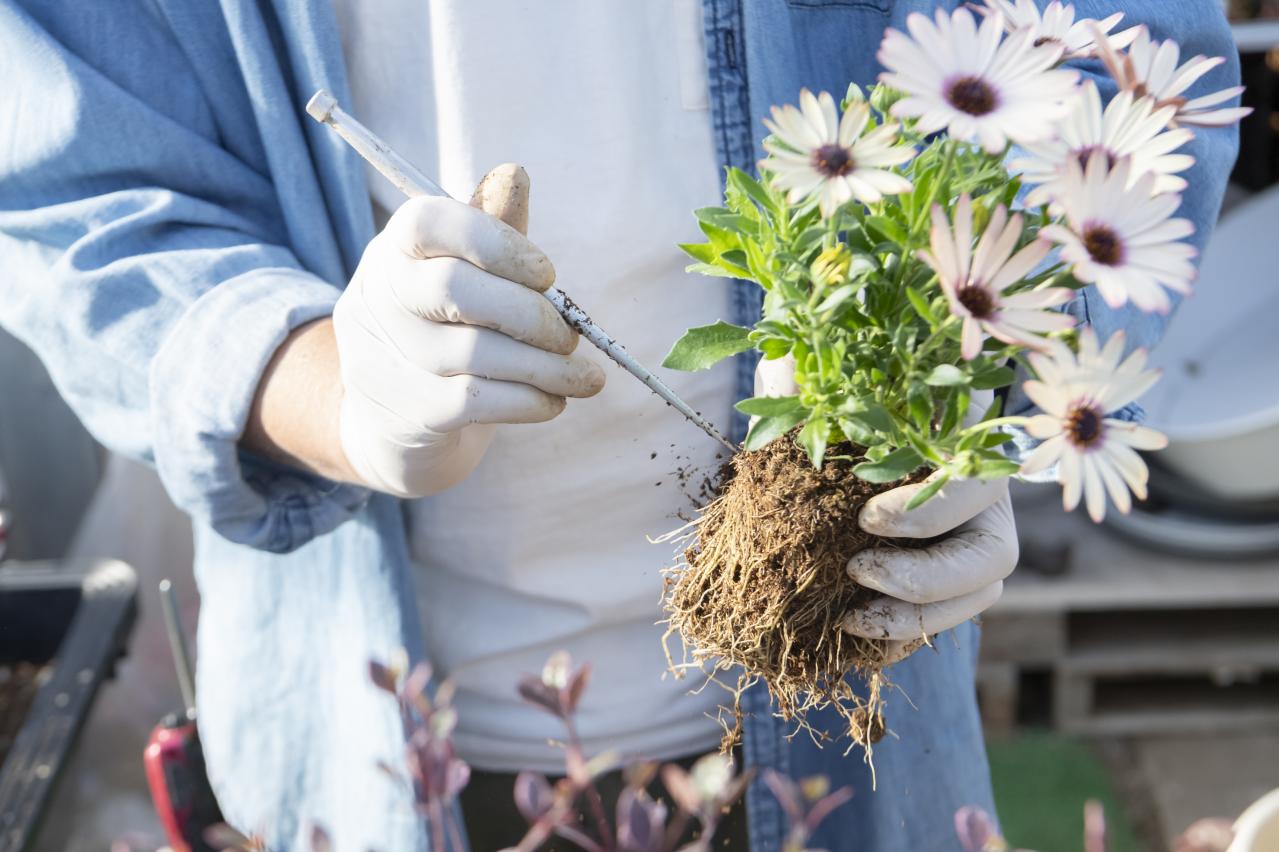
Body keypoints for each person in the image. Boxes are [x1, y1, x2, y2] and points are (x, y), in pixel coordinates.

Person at [0, 1, 1239, 849]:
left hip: (854, 722)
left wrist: (982, 393)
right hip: (373, 739)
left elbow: (1124, 69)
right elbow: (74, 178)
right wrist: (331, 383)